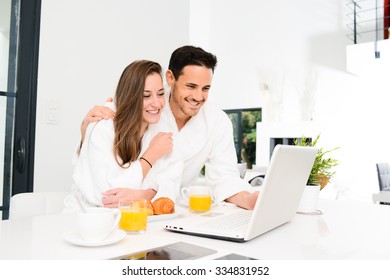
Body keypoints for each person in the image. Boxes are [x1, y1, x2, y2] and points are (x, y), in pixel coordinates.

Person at [81, 46, 259, 210]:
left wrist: (250, 200)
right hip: (115, 210)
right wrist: (86, 131)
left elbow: (224, 176)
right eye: (191, 86)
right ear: (170, 78)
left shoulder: (217, 121)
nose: (198, 96)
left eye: (206, 88)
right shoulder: (148, 111)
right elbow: (103, 171)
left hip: (165, 209)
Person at [65, 60, 181, 211]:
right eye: (146, 96)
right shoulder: (104, 126)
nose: (157, 103)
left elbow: (170, 187)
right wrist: (151, 156)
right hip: (87, 219)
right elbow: (109, 195)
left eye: (160, 94)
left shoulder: (163, 129)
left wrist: (139, 195)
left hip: (134, 219)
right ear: (130, 97)